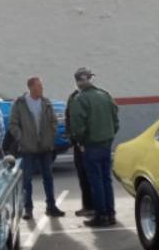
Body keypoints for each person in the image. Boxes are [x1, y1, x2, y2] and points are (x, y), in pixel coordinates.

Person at [66, 67, 120, 228]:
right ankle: (110, 214)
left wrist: (80, 142)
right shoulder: (105, 95)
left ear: (78, 82)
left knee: (96, 182)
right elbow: (115, 121)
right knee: (106, 180)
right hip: (106, 144)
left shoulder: (80, 99)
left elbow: (77, 126)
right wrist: (109, 136)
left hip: (91, 146)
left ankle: (101, 215)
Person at [9, 76, 64, 220]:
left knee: (48, 177)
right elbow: (13, 124)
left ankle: (51, 206)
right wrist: (22, 139)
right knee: (27, 180)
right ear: (31, 87)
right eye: (39, 86)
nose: (42, 88)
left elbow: (53, 121)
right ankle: (28, 209)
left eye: (41, 86)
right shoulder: (20, 104)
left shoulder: (46, 102)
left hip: (45, 147)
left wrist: (50, 136)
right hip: (28, 149)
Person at [64, 87, 94, 218]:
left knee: (92, 177)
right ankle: (88, 206)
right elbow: (69, 118)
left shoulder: (90, 96)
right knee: (84, 177)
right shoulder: (74, 97)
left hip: (88, 143)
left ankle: (94, 207)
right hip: (82, 144)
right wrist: (72, 138)